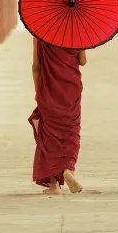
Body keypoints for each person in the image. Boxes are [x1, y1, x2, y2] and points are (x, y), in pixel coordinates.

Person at [28, 38, 87, 194]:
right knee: (71, 129)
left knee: (50, 133)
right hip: (71, 89)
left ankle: (54, 184)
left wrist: (38, 91)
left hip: (48, 89)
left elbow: (36, 67)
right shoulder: (76, 32)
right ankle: (68, 169)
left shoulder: (40, 35)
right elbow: (83, 61)